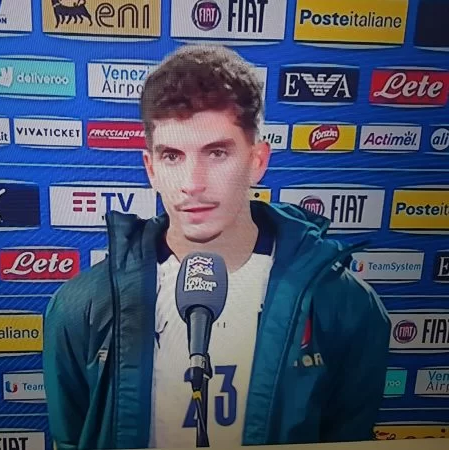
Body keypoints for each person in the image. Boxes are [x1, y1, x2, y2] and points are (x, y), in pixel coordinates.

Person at [43, 45, 391, 449]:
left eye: (217, 153)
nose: (193, 183)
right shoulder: (82, 307)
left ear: (257, 160)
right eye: (172, 156)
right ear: (151, 168)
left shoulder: (345, 306)